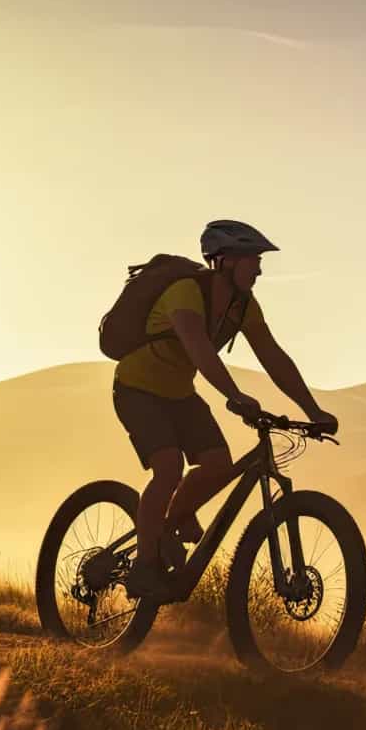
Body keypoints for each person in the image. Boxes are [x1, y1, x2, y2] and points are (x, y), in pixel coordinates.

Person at [112, 220, 337, 598]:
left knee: (219, 464)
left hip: (180, 394)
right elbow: (198, 348)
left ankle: (168, 526)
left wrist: (313, 409)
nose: (260, 269)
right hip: (137, 388)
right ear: (226, 261)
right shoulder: (185, 292)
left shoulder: (242, 306)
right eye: (254, 260)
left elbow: (274, 357)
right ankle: (144, 567)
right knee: (168, 468)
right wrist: (234, 395)